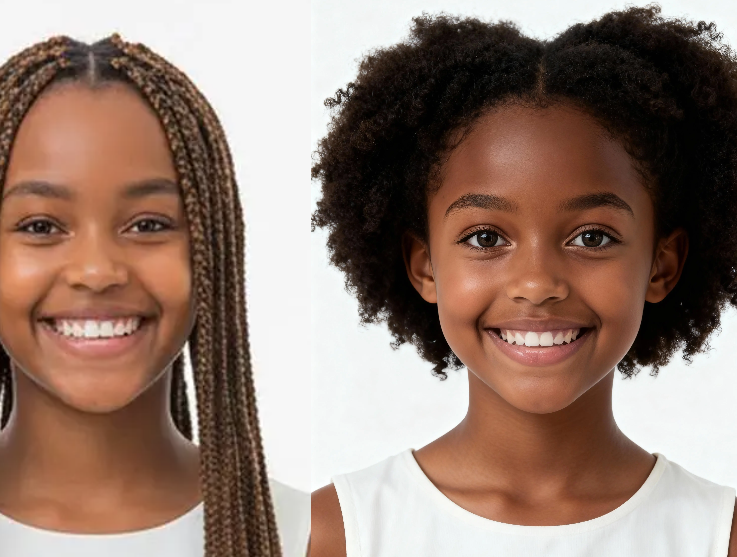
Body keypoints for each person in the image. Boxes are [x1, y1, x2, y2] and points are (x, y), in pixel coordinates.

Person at [310, 7, 737, 556]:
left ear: (661, 264)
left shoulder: (718, 536)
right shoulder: (337, 532)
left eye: (592, 237)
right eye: (486, 238)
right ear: (424, 267)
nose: (536, 284)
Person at [0, 34, 309, 557]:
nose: (96, 270)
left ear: (212, 249)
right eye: (41, 226)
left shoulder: (314, 536)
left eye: (148, 224)